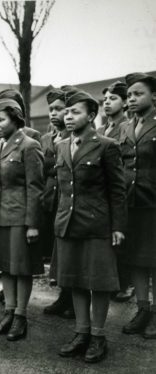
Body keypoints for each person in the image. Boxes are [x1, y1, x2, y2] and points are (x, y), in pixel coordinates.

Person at [54, 91, 126, 363]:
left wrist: (118, 226)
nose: (68, 116)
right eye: (67, 112)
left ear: (92, 116)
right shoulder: (62, 145)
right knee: (74, 280)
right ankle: (81, 332)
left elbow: (117, 190)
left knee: (98, 283)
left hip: (97, 224)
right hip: (68, 223)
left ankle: (98, 336)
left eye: (76, 112)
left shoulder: (106, 146)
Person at [0, 99, 44, 341]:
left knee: (21, 268)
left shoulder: (29, 146)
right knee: (5, 267)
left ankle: (21, 316)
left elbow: (35, 188)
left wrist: (32, 224)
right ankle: (8, 312)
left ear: (16, 119)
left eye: (1, 120)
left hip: (19, 216)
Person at [119, 72, 156, 339]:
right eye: (129, 95)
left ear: (153, 96)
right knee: (137, 261)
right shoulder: (125, 127)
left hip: (153, 204)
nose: (132, 99)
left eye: (138, 93)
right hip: (131, 205)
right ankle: (143, 309)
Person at [96, 81, 134, 303]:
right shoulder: (100, 130)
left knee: (122, 235)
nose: (108, 103)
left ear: (125, 102)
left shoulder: (127, 127)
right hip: (104, 189)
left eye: (113, 99)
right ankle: (111, 279)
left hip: (123, 186)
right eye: (105, 100)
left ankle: (125, 282)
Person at [40, 89, 75, 319]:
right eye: (51, 109)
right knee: (57, 250)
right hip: (50, 199)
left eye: (59, 109)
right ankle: (64, 296)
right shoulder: (45, 139)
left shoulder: (72, 138)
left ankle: (72, 300)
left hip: (68, 199)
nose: (54, 113)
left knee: (69, 250)